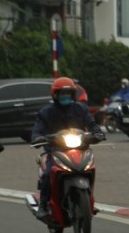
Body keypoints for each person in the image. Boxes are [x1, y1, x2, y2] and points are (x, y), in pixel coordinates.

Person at [31, 76, 104, 219]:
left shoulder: (80, 109)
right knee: (47, 174)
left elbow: (92, 124)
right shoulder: (46, 112)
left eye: (69, 94)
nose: (66, 97)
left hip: (80, 148)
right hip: (55, 150)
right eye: (62, 94)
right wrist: (38, 137)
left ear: (73, 95)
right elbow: (37, 130)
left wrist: (97, 133)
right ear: (55, 95)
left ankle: (88, 200)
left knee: (89, 168)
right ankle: (44, 204)